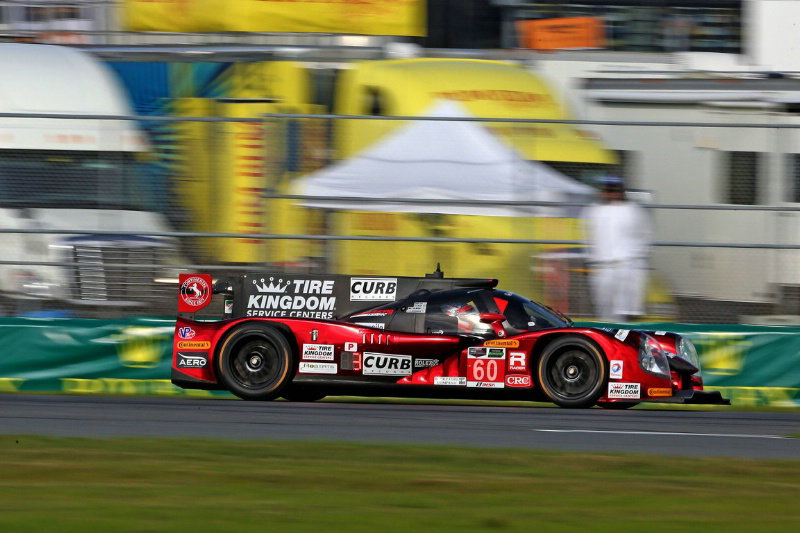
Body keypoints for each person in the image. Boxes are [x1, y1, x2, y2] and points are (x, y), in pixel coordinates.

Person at [582, 175, 652, 322]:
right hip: (601, 266)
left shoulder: (633, 210)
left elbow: (645, 235)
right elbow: (588, 238)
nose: (611, 193)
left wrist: (636, 259)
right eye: (608, 190)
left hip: (627, 264)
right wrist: (590, 259)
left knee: (625, 308)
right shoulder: (593, 211)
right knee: (604, 306)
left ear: (621, 191)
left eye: (614, 190)